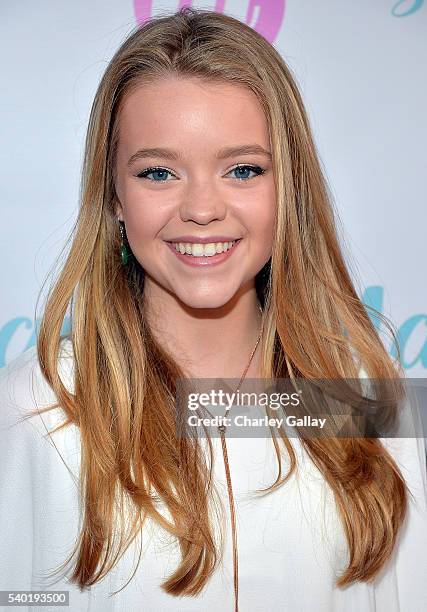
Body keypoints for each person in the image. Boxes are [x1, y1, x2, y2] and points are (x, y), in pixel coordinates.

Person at [0, 7, 426, 612]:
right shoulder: (37, 408)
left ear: (291, 187)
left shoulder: (365, 401)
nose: (202, 207)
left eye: (243, 169)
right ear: (113, 195)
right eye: (159, 172)